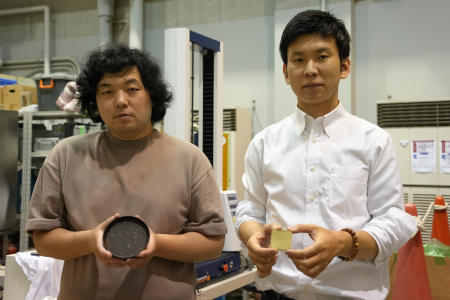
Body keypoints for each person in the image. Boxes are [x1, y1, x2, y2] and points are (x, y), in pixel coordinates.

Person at [235, 10, 417, 300]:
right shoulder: (264, 143)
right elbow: (250, 210)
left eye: (321, 57)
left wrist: (343, 243)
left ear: (344, 66)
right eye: (298, 60)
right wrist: (251, 236)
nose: (310, 69)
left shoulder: (373, 142)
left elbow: (392, 220)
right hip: (278, 295)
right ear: (285, 72)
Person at [26, 44, 226, 300]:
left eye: (132, 89)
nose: (121, 101)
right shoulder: (66, 155)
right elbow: (43, 238)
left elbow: (212, 243)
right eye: (107, 91)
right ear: (94, 101)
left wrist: (157, 243)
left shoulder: (189, 159)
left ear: (151, 95)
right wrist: (90, 240)